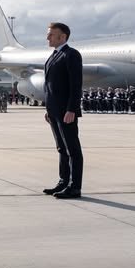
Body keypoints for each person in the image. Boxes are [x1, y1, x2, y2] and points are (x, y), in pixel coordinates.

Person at [41, 22, 84, 199]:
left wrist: (72, 109)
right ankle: (63, 181)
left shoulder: (71, 55)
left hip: (66, 112)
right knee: (61, 148)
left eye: (51, 34)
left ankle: (74, 187)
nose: (47, 37)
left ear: (63, 36)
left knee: (72, 149)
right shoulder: (54, 56)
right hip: (54, 111)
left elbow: (76, 85)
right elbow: (50, 87)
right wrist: (49, 110)